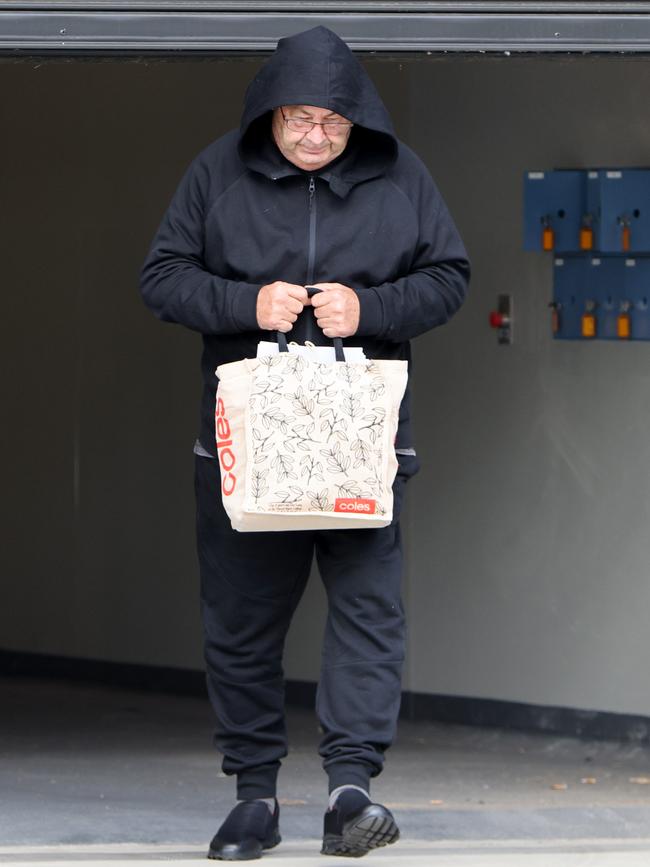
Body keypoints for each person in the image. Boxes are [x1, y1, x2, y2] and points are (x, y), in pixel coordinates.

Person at [141, 25, 469, 861]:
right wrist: (249, 305)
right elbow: (163, 275)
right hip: (246, 449)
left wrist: (373, 310)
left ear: (359, 118)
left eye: (333, 122)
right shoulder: (218, 171)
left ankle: (351, 790)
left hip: (362, 446)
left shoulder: (404, 176)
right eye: (298, 120)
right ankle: (254, 796)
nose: (317, 137)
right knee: (242, 622)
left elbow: (448, 276)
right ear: (267, 115)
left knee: (368, 615)